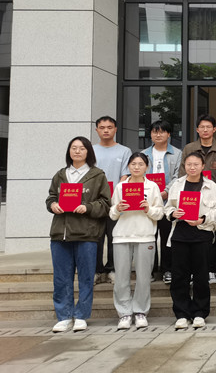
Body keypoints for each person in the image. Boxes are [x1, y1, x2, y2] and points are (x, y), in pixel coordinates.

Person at [46, 136, 111, 333]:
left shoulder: (97, 175)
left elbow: (105, 204)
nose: (77, 151)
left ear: (88, 152)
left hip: (86, 234)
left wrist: (87, 207)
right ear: (69, 151)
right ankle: (64, 316)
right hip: (61, 234)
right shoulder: (60, 174)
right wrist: (53, 205)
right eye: (73, 148)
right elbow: (51, 197)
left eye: (81, 148)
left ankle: (81, 315)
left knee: (85, 277)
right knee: (61, 278)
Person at [165, 153, 216, 330]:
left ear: (202, 166)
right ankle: (182, 313)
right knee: (179, 277)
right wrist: (173, 213)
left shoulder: (211, 186)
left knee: (201, 276)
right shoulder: (177, 184)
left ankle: (200, 312)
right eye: (189, 164)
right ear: (184, 165)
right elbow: (168, 207)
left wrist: (203, 219)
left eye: (196, 164)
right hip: (180, 235)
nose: (192, 167)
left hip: (202, 234)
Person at [110, 153, 165, 330]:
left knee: (143, 277)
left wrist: (148, 209)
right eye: (133, 164)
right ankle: (124, 313)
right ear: (128, 166)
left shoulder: (152, 186)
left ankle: (141, 311)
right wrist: (118, 208)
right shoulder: (121, 186)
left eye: (140, 164)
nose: (136, 167)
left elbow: (160, 213)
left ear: (147, 167)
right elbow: (112, 214)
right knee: (121, 278)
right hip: (122, 236)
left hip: (145, 235)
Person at [178, 114, 216, 285]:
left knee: (213, 234)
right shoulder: (189, 148)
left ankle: (211, 269)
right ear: (197, 129)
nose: (205, 130)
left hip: (213, 199)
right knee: (191, 235)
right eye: (202, 127)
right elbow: (182, 172)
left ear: (214, 129)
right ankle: (193, 271)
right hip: (191, 198)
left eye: (209, 127)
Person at [93, 116, 132, 285]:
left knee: (114, 237)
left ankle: (112, 269)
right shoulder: (91, 150)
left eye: (109, 127)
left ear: (115, 129)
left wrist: (115, 196)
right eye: (102, 127)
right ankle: (96, 270)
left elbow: (125, 175)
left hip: (116, 202)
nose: (106, 130)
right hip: (95, 202)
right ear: (97, 130)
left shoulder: (124, 151)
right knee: (96, 238)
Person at [142, 120, 182, 285]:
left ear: (169, 134)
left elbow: (178, 176)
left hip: (167, 202)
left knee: (167, 237)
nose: (158, 135)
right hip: (148, 202)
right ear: (151, 134)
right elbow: (139, 175)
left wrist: (166, 192)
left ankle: (167, 269)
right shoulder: (144, 154)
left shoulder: (178, 154)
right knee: (149, 237)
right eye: (154, 132)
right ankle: (149, 270)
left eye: (162, 131)